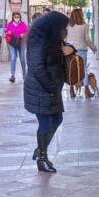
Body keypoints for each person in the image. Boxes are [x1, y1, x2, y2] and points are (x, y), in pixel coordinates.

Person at [24, 11, 74, 173]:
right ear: (54, 27)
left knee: (57, 118)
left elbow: (64, 49)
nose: (65, 30)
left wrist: (71, 49)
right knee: (45, 122)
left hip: (51, 88)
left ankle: (41, 150)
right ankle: (42, 158)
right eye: (63, 27)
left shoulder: (53, 40)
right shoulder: (39, 42)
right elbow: (37, 68)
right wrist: (51, 87)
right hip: (42, 89)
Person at [66, 8, 96, 97]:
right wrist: (93, 48)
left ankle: (71, 90)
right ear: (80, 15)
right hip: (81, 50)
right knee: (83, 70)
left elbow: (64, 38)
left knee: (71, 70)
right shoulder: (85, 25)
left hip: (70, 51)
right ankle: (86, 90)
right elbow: (87, 40)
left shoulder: (68, 25)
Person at [4, 11, 28, 82]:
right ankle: (13, 75)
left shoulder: (23, 24)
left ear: (20, 17)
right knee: (13, 58)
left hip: (21, 43)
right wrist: (8, 33)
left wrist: (23, 35)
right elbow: (6, 32)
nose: (16, 18)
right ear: (13, 17)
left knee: (22, 59)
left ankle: (24, 74)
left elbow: (27, 32)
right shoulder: (9, 25)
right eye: (15, 17)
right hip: (12, 43)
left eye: (18, 17)